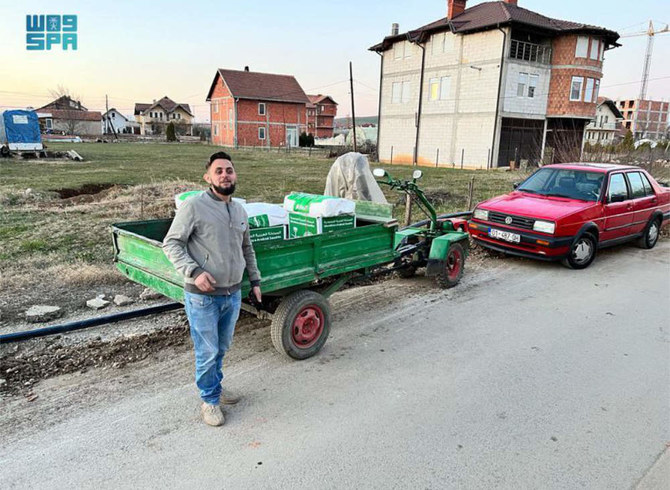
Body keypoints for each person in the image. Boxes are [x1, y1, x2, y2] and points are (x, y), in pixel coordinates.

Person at [163, 151, 262, 427]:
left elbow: (247, 249)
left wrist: (255, 281)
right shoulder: (194, 207)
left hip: (232, 293)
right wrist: (194, 272)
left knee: (221, 348)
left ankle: (215, 387)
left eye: (229, 170)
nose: (225, 175)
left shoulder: (240, 210)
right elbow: (171, 243)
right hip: (203, 298)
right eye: (218, 171)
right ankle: (209, 401)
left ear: (235, 175)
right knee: (207, 351)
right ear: (208, 177)